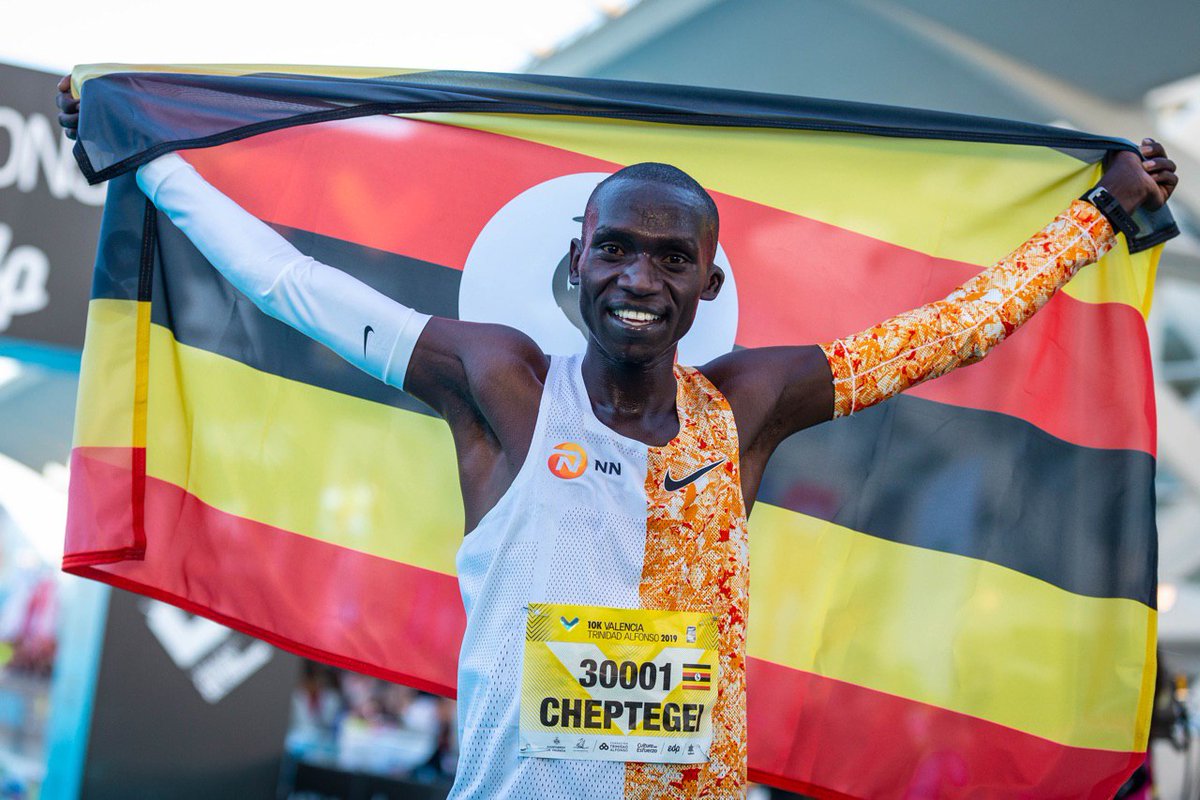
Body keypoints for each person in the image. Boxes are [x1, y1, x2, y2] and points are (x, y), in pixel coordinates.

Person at [57, 78, 1178, 798]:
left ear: (709, 282)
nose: (641, 278)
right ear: (577, 258)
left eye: (671, 258)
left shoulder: (745, 403)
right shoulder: (501, 384)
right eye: (618, 249)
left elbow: (943, 335)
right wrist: (146, 153)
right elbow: (290, 283)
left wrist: (1093, 220)